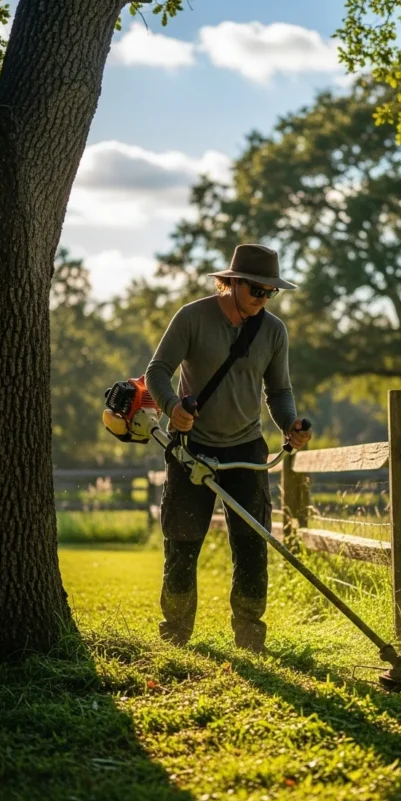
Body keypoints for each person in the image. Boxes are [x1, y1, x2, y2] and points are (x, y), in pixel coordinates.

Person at [145, 243, 312, 653]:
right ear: (232, 282)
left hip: (246, 453)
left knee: (252, 547)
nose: (263, 299)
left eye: (270, 292)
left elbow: (280, 390)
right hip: (191, 451)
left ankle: (251, 640)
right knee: (182, 545)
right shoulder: (192, 317)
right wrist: (172, 408)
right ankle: (176, 636)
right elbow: (157, 372)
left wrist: (289, 424)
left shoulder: (274, 331)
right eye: (256, 290)